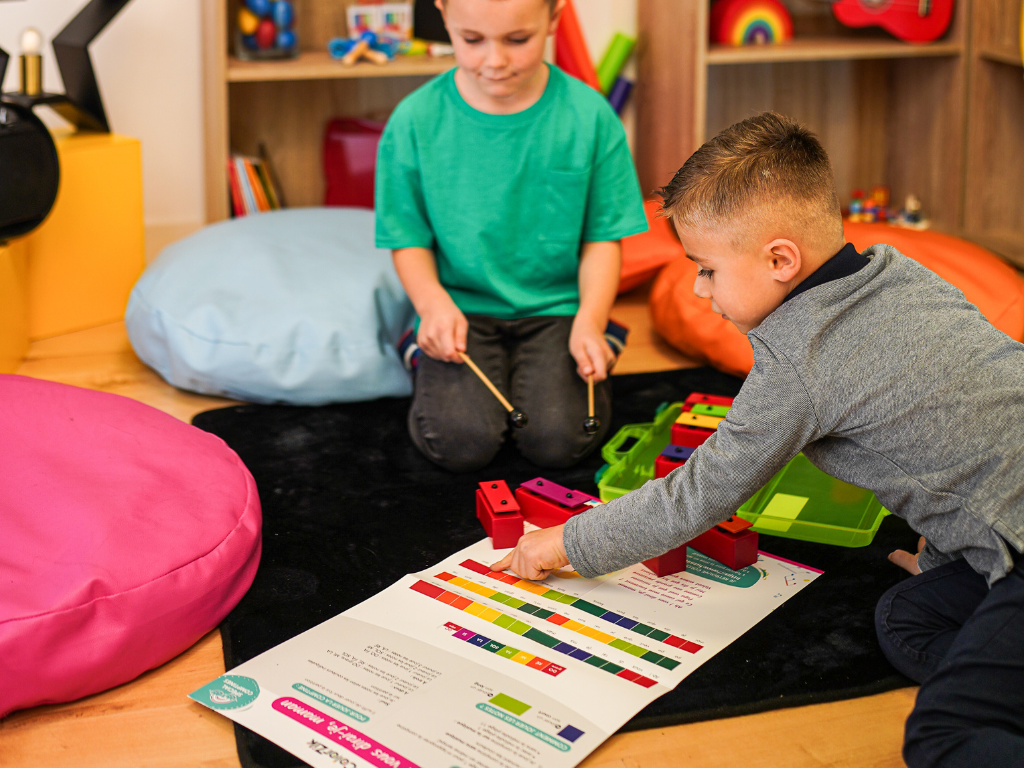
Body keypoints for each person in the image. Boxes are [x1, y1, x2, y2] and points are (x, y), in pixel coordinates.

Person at [492, 112, 1024, 768]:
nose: (696, 288)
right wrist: (955, 559)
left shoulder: (799, 362)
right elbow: (965, 430)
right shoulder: (900, 271)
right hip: (1006, 523)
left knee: (942, 737)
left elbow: (693, 498)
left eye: (707, 269)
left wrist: (567, 542)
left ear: (779, 260)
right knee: (905, 615)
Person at [375, 0, 646, 473]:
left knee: (562, 441)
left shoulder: (590, 117)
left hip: (558, 310)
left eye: (517, 40)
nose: (494, 61)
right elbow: (407, 238)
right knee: (458, 444)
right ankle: (418, 346)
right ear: (444, 17)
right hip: (460, 309)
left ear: (555, 18)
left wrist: (590, 319)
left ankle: (605, 334)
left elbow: (602, 238)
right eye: (472, 40)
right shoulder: (414, 120)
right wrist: (432, 304)